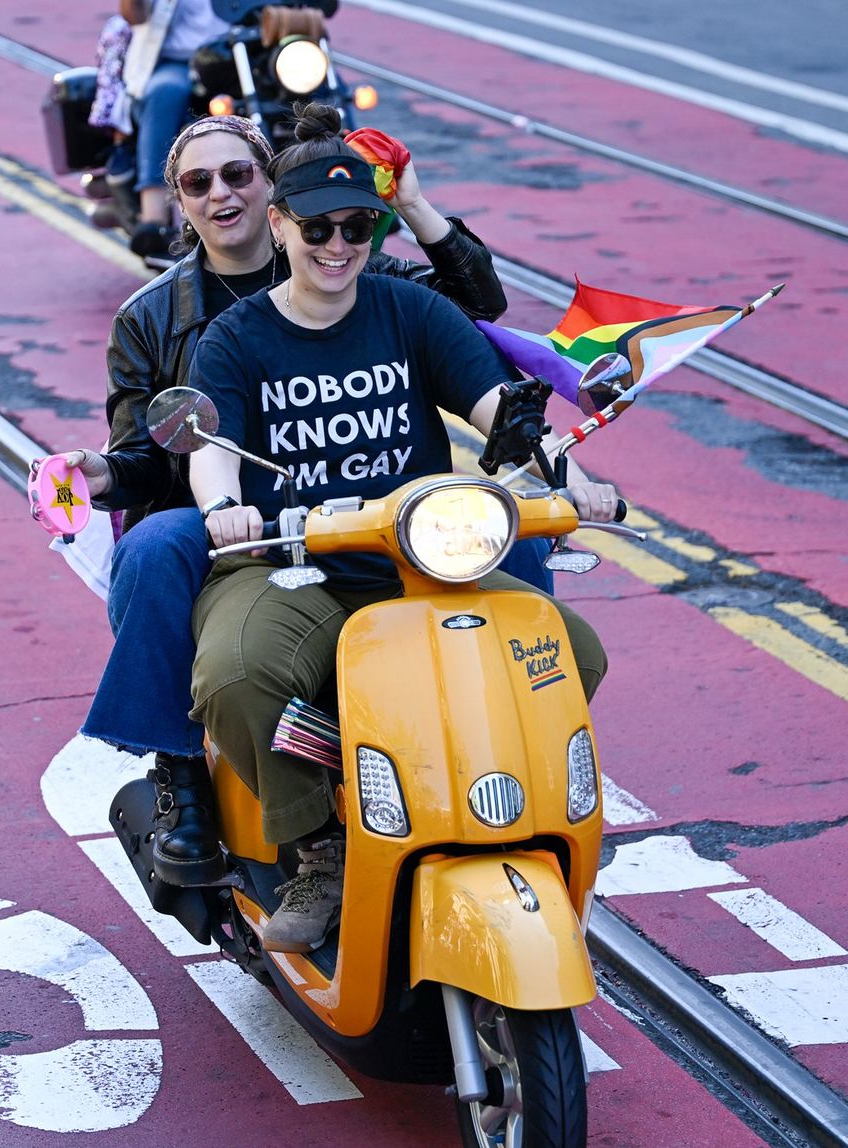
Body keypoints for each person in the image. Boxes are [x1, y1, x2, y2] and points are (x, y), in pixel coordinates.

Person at [59, 111, 537, 888]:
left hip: (375, 505)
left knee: (514, 532)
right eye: (197, 182)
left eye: (239, 174)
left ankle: (512, 748)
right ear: (179, 203)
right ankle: (181, 778)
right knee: (151, 550)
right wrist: (103, 471)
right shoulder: (153, 317)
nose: (222, 193)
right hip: (231, 511)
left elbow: (475, 308)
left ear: (272, 191)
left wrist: (412, 206)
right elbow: (156, 454)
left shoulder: (356, 271)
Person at [187, 102, 615, 953]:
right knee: (236, 677)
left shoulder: (411, 312)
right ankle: (324, 844)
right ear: (278, 225)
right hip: (290, 566)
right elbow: (213, 448)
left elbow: (505, 419)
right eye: (318, 227)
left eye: (359, 226)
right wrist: (221, 510)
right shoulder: (234, 338)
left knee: (571, 652)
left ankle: (491, 811)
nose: (339, 244)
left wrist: (580, 480)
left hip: (422, 565)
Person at [119, 0, 231, 257]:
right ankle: (154, 218)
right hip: (180, 61)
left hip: (246, 55)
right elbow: (134, 14)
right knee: (165, 92)